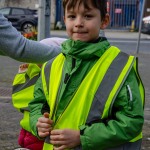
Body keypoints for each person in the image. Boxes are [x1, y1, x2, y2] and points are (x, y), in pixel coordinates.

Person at [29, 0, 145, 149]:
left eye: (88, 16)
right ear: (64, 20)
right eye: (72, 16)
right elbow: (37, 104)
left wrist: (83, 137)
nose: (78, 23)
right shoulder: (50, 67)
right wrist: (38, 122)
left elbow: (132, 121)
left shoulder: (119, 66)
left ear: (104, 21)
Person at [11, 38, 66, 150]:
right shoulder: (34, 72)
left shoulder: (49, 75)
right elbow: (19, 100)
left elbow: (20, 100)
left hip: (38, 134)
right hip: (30, 131)